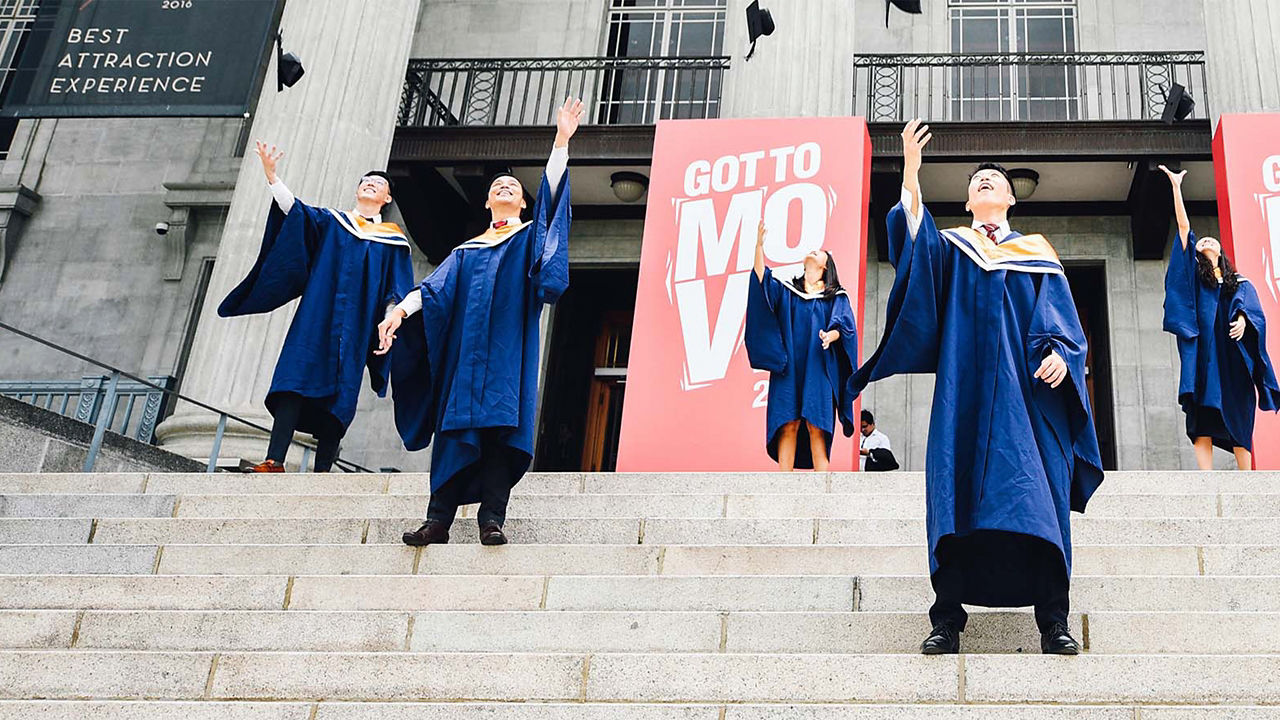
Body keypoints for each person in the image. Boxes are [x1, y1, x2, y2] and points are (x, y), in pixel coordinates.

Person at [850, 119, 1104, 656]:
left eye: (995, 178)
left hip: (1026, 402)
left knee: (1037, 500)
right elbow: (914, 258)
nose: (985, 181)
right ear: (967, 202)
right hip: (963, 395)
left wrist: (1061, 352)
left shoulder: (1038, 253)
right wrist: (911, 177)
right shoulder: (951, 248)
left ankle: (1053, 622)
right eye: (976, 179)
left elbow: (1064, 324)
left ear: (1012, 198)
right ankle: (946, 621)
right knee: (955, 501)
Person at [379, 97, 583, 547]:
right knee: (455, 435)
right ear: (489, 201)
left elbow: (552, 202)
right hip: (465, 364)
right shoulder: (465, 251)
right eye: (499, 186)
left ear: (523, 204)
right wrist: (398, 312)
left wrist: (561, 142)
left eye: (514, 187)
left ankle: (492, 519)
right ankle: (438, 521)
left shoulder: (529, 239)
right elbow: (433, 291)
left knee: (497, 436)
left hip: (508, 358)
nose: (506, 188)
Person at [217, 142, 415, 473]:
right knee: (295, 377)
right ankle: (274, 459)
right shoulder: (331, 222)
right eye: (366, 180)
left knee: (341, 393)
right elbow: (295, 211)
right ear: (357, 190)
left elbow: (396, 289)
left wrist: (387, 324)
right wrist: (271, 176)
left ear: (387, 198)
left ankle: (322, 471)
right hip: (316, 318)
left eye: (378, 183)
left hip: (357, 326)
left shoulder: (392, 240)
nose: (370, 183)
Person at [1160, 164, 1280, 470]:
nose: (1207, 241)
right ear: (1198, 254)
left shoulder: (1238, 282)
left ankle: (1246, 477)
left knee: (1238, 407)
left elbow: (1252, 309)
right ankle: (1206, 479)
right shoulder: (1196, 281)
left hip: (1232, 352)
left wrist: (1243, 320)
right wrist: (1176, 188)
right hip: (1205, 351)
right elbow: (1184, 228)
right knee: (1203, 410)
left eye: (1213, 240)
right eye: (1203, 243)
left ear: (1221, 251)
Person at [744, 220, 858, 471]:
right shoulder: (787, 291)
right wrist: (758, 247)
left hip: (818, 365)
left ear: (825, 265)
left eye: (818, 251)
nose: (813, 250)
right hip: (789, 366)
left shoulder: (835, 296)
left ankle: (821, 488)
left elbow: (845, 326)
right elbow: (762, 283)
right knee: (788, 422)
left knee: (816, 424)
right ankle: (783, 486)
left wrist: (831, 336)